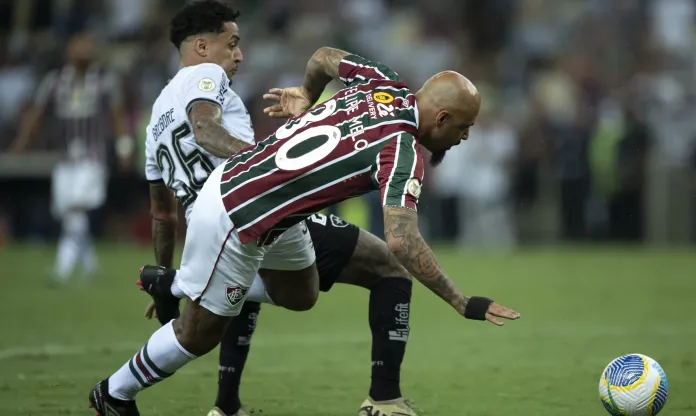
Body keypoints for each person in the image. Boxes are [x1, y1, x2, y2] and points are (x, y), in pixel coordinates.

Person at [88, 14, 520, 416]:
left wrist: (309, 92)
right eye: (464, 127)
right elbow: (402, 239)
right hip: (237, 213)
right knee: (199, 333)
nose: (464, 137)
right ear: (442, 118)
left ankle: (193, 282)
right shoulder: (403, 151)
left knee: (303, 295)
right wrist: (462, 303)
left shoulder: (382, 81)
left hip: (280, 215)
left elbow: (322, 58)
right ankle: (114, 392)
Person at [128, 2, 422, 415]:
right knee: (388, 269)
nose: (239, 55)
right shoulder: (206, 77)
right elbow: (207, 130)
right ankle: (384, 400)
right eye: (231, 44)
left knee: (244, 285)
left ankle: (225, 405)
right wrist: (263, 168)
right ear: (200, 46)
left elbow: (163, 215)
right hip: (250, 208)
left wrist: (164, 271)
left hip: (207, 229)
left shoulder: (156, 118)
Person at [10, 31, 132, 284]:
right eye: (78, 46)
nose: (83, 51)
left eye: (87, 46)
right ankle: (90, 267)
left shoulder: (104, 81)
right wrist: (21, 142)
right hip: (64, 158)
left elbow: (117, 116)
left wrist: (123, 149)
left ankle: (60, 270)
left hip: (92, 157)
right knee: (69, 213)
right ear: (69, 51)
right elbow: (38, 113)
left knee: (76, 209)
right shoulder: (54, 81)